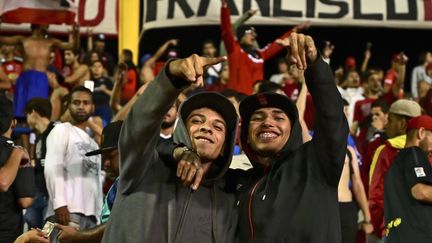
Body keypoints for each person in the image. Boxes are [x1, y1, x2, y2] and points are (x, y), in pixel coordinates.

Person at [101, 54, 239, 243]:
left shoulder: (228, 202)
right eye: (197, 121)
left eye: (218, 127)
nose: (206, 127)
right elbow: (139, 124)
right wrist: (171, 77)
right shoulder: (143, 168)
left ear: (225, 147)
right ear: (180, 131)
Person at [234, 32, 349, 242]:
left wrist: (314, 66)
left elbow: (332, 116)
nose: (267, 122)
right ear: (246, 136)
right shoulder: (241, 182)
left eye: (278, 117)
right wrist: (183, 153)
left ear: (294, 129)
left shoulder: (315, 163)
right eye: (257, 118)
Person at [44, 86, 103, 242]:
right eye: (76, 102)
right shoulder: (61, 130)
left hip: (90, 216)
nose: (81, 106)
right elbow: (52, 166)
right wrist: (59, 203)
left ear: (93, 107)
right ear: (67, 106)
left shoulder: (93, 143)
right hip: (66, 211)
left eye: (86, 102)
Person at [54, 121, 123, 243]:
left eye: (111, 156)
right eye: (104, 158)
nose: (105, 164)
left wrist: (77, 236)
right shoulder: (119, 182)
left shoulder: (135, 182)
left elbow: (118, 223)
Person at [220, 0, 308, 95]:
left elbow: (277, 44)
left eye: (254, 34)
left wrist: (294, 30)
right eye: (250, 33)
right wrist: (225, 8)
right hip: (237, 99)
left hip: (255, 99)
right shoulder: (234, 50)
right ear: (241, 36)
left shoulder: (259, 54)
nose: (253, 36)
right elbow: (227, 30)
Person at [368, 99, 421, 243]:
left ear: (402, 124)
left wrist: (382, 227)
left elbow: (376, 194)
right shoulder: (427, 152)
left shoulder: (385, 151)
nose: (386, 125)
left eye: (390, 121)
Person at [0, 23, 78, 117]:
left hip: (40, 78)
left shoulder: (51, 42)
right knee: (20, 111)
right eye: (45, 24)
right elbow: (3, 39)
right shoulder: (23, 40)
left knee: (38, 111)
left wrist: (76, 33)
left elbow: (71, 46)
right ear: (37, 25)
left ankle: (36, 130)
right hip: (25, 78)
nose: (48, 26)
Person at [384, 115, 432, 243]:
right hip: (416, 237)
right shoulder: (414, 153)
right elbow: (421, 192)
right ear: (421, 133)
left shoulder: (398, 161)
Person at [0, 94, 35, 243]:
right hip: (6, 232)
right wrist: (19, 151)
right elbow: (25, 201)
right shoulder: (16, 153)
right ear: (13, 123)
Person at [23, 98, 57, 230]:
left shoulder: (56, 131)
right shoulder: (39, 137)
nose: (26, 118)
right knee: (35, 232)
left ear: (33, 112)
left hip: (51, 198)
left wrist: (34, 163)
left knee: (48, 235)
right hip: (38, 194)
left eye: (27, 114)